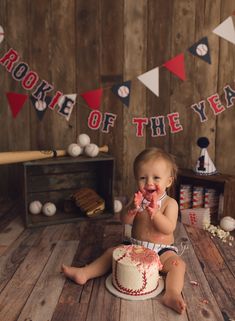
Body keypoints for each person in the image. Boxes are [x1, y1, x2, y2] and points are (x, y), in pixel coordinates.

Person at [61, 147, 186, 314]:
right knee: (111, 253)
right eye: (143, 178)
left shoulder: (170, 203)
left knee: (178, 265)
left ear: (168, 181)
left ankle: (172, 293)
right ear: (136, 180)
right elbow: (124, 220)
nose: (149, 182)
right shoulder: (137, 200)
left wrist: (156, 214)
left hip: (161, 251)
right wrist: (132, 210)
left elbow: (169, 228)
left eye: (156, 177)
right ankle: (85, 272)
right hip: (135, 246)